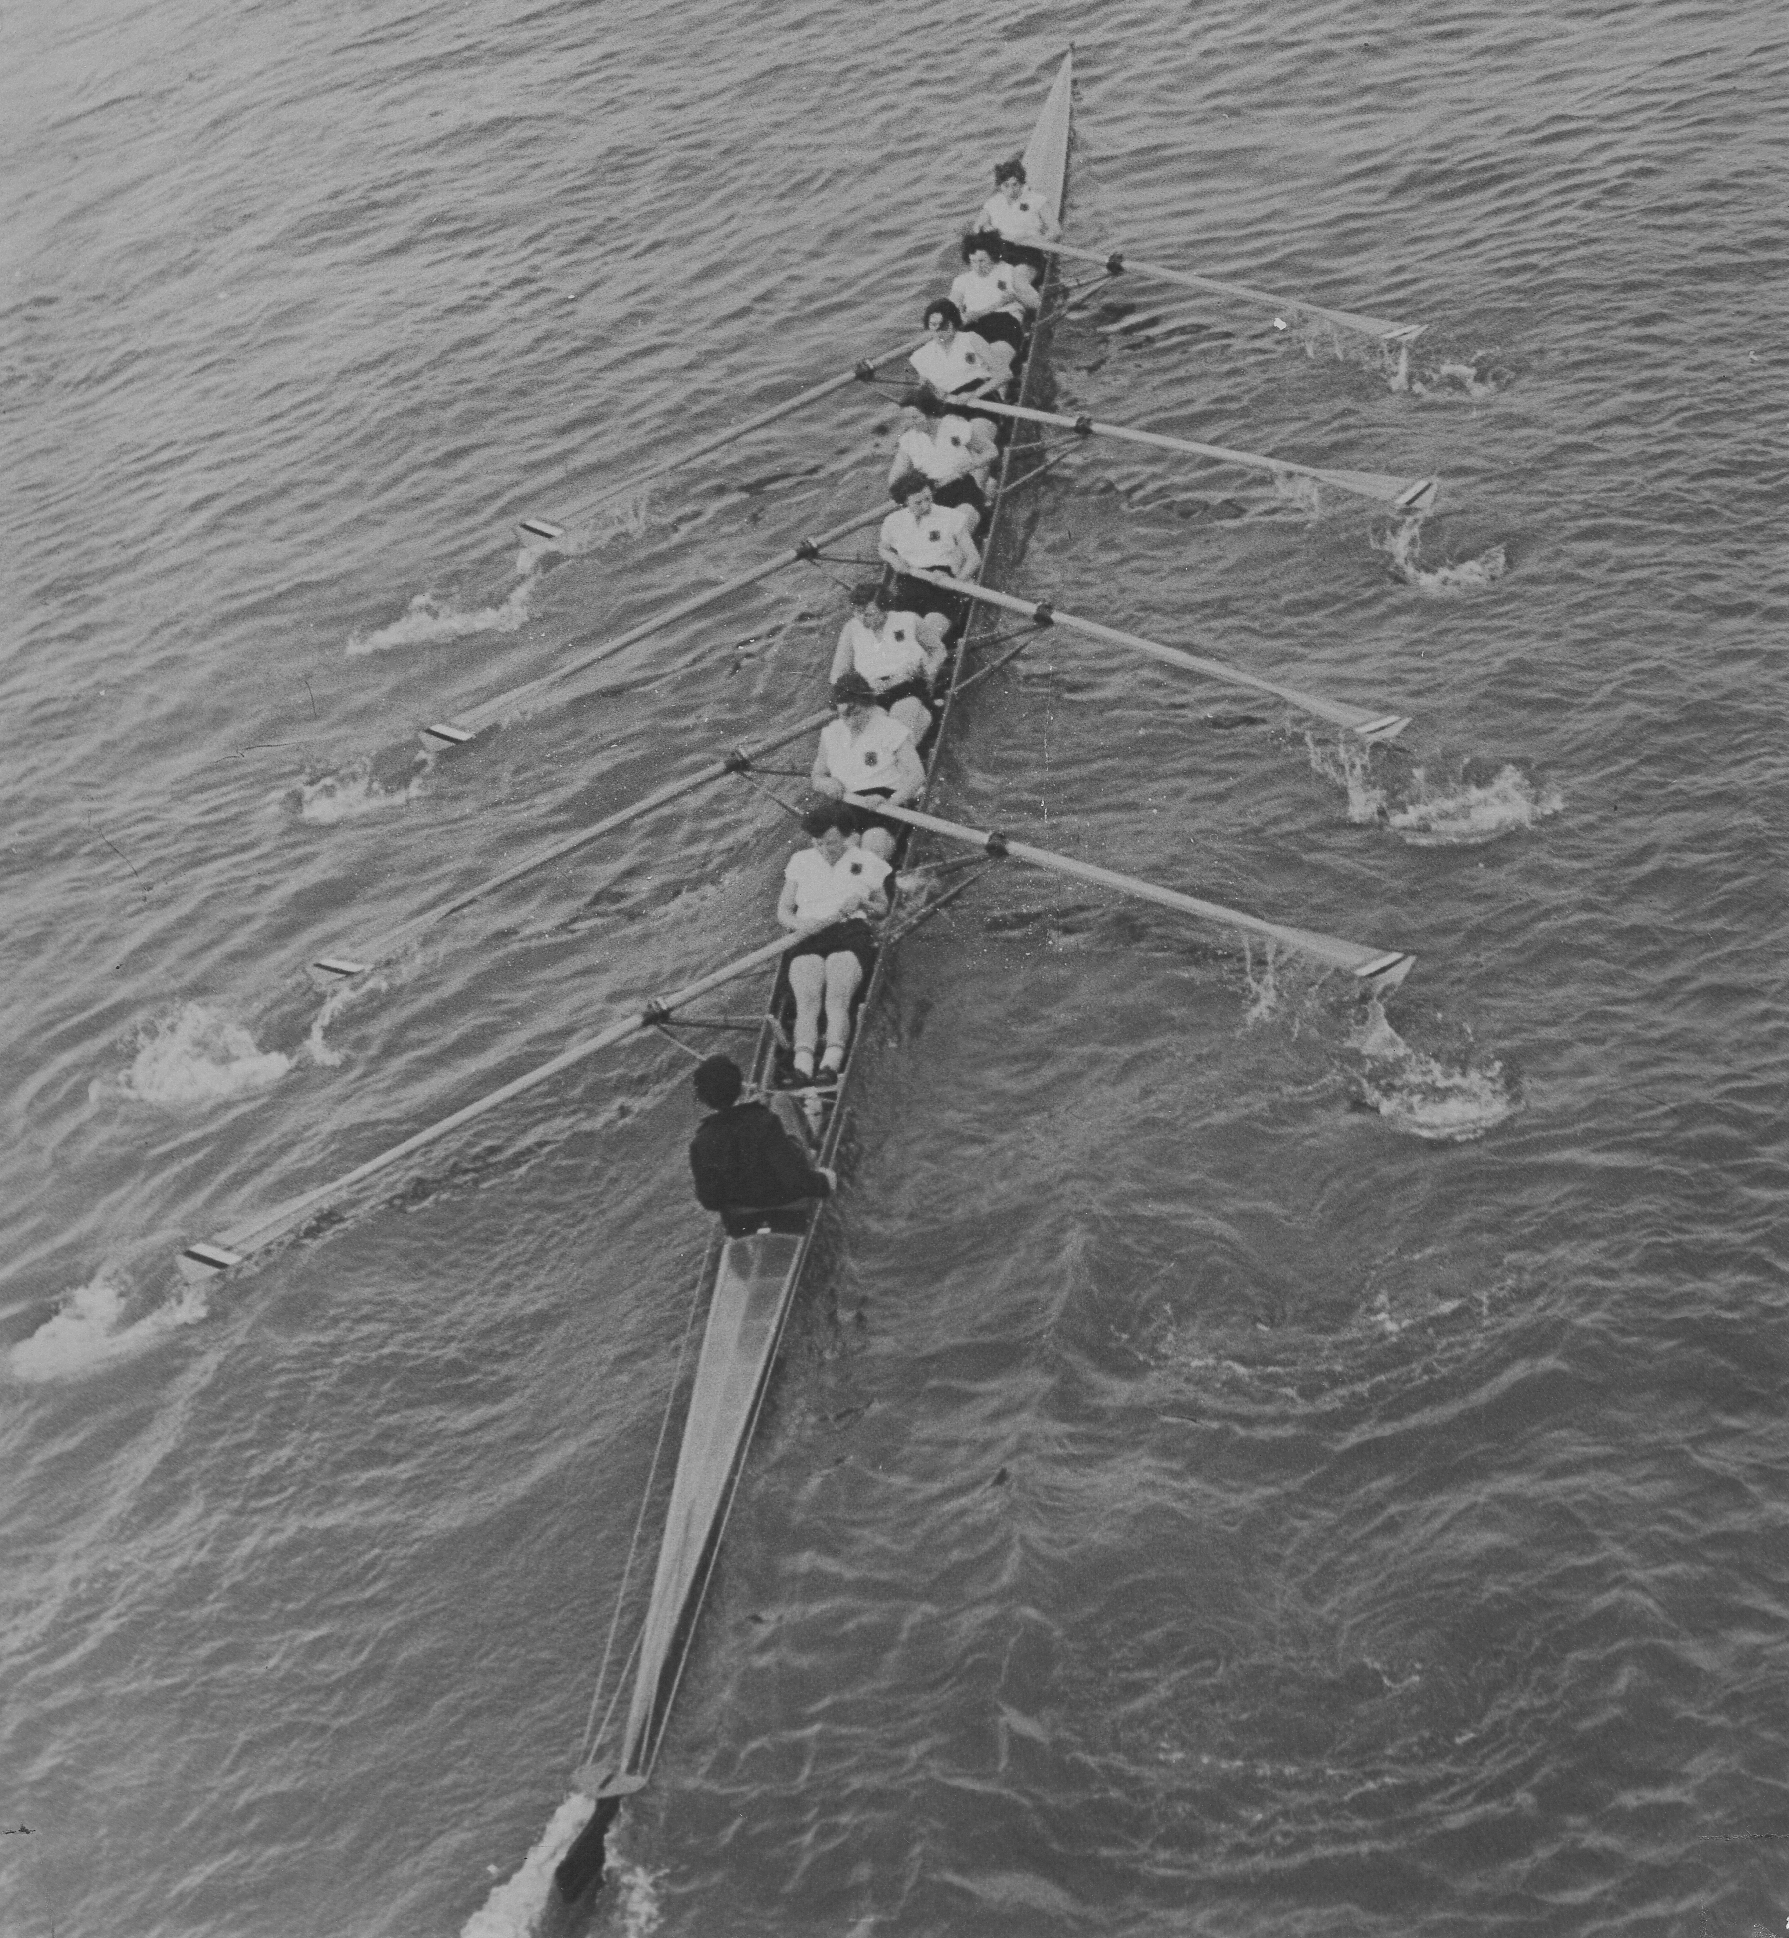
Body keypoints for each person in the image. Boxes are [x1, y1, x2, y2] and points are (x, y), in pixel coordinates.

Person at [776, 802, 893, 1078]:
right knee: (807, 1002)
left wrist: (862, 902)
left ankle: (831, 1062)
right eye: (818, 842)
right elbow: (783, 912)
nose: (823, 849)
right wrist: (800, 925)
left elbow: (882, 908)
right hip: (809, 933)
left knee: (837, 998)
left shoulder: (866, 861)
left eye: (830, 843)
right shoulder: (800, 861)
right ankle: (802, 1066)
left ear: (848, 837)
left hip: (850, 931)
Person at [688, 1053, 836, 1236]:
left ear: (703, 1098)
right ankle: (814, 1144)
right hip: (790, 1213)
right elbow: (796, 1181)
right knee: (781, 1099)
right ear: (739, 1085)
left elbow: (710, 1201)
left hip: (743, 1224)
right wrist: (825, 1182)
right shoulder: (765, 1121)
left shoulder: (700, 1142)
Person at [810, 672, 924, 860]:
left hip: (884, 803)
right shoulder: (830, 734)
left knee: (873, 842)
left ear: (869, 704)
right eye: (844, 715)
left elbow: (917, 774)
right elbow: (817, 777)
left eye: (856, 713)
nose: (851, 722)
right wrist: (827, 784)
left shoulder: (890, 729)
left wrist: (891, 802)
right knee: (835, 852)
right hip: (847, 804)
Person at [830, 582, 948, 743]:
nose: (862, 620)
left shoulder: (909, 619)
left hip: (908, 685)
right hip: (872, 693)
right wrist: (856, 690)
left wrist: (929, 673)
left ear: (884, 608)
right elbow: (837, 675)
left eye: (869, 614)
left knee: (902, 715)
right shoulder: (851, 629)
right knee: (873, 730)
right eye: (857, 612)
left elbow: (938, 650)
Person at [878, 473, 980, 632]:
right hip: (908, 582)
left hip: (942, 581)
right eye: (918, 502)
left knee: (929, 633)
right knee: (903, 635)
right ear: (905, 502)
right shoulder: (892, 521)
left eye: (928, 498)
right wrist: (893, 559)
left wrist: (957, 582)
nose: (926, 506)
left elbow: (974, 558)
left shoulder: (952, 517)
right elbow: (883, 548)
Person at [887, 392, 999, 526]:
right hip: (930, 495)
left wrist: (971, 466)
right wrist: (906, 493)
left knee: (958, 524)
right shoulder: (908, 440)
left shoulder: (953, 426)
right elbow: (895, 477)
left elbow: (991, 451)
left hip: (962, 487)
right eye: (907, 419)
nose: (911, 423)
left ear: (929, 413)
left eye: (915, 418)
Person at [976, 156, 1060, 293]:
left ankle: (1030, 298)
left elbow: (1055, 230)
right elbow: (978, 226)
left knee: (1018, 282)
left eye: (1015, 185)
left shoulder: (1038, 200)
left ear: (1021, 183)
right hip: (1001, 251)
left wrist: (1039, 240)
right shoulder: (992, 203)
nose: (1011, 190)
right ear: (1000, 186)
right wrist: (988, 229)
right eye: (1006, 185)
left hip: (1029, 250)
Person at [949, 230, 1038, 359]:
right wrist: (956, 311)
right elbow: (951, 307)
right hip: (974, 324)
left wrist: (1017, 297)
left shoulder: (1009, 271)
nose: (977, 267)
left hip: (1005, 321)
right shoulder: (961, 280)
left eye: (982, 261)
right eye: (973, 261)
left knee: (991, 356)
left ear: (992, 257)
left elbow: (1036, 303)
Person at [909, 298, 1007, 402]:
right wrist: (934, 392)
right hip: (950, 402)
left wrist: (975, 394)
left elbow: (1004, 374)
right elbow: (926, 386)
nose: (939, 331)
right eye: (933, 325)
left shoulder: (971, 339)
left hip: (981, 395)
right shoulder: (920, 355)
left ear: (954, 323)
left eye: (944, 326)